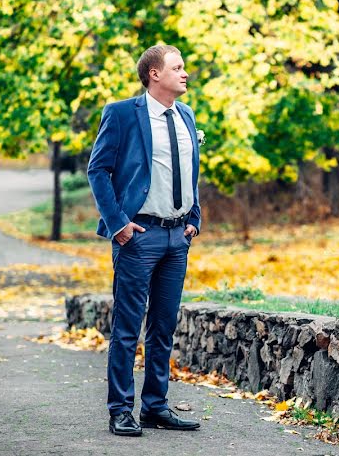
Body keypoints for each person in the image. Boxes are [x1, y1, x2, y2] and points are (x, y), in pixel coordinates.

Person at [88, 44, 202, 436]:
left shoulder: (186, 114)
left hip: (177, 237)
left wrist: (194, 219)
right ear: (155, 74)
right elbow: (97, 170)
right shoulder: (121, 114)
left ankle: (155, 405)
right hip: (138, 236)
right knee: (127, 327)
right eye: (178, 67)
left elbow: (189, 171)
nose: (185, 73)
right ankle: (120, 409)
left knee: (164, 327)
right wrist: (117, 222)